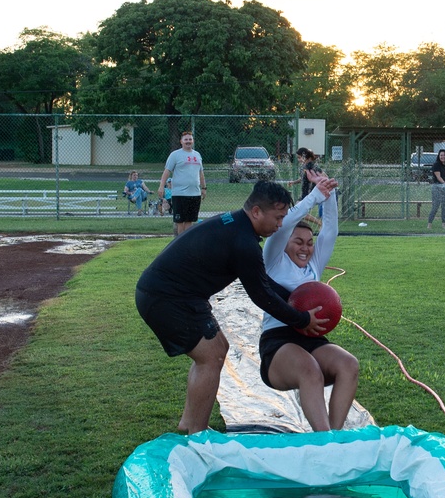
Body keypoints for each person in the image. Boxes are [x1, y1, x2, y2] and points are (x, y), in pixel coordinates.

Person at [136, 175, 336, 434]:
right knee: (211, 356)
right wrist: (301, 319)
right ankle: (197, 432)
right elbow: (261, 295)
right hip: (167, 298)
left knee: (217, 349)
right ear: (256, 211)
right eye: (277, 219)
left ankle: (191, 423)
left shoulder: (236, 224)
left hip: (173, 294)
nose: (280, 226)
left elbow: (262, 284)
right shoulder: (243, 243)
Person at [260, 180, 358, 431]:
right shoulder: (272, 260)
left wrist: (330, 193)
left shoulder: (314, 266)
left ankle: (332, 438)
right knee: (309, 369)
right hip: (278, 342)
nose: (305, 247)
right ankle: (323, 440)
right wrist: (314, 197)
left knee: (349, 365)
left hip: (311, 338)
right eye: (298, 242)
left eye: (309, 242)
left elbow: (330, 231)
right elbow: (286, 226)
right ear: (285, 243)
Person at [159, 131, 207, 236]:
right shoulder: (175, 155)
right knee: (180, 222)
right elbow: (167, 171)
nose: (188, 141)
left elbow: (201, 172)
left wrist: (204, 188)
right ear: (181, 141)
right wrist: (161, 186)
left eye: (190, 139)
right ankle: (179, 245)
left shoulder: (197, 155)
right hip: (179, 194)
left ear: (193, 141)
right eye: (186, 139)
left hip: (194, 193)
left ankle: (187, 245)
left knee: (189, 221)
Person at [426, 149, 445, 230]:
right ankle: (429, 224)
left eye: (444, 155)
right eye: (441, 155)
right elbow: (438, 177)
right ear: (439, 156)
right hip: (437, 187)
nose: (442, 156)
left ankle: (444, 224)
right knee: (435, 206)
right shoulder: (436, 165)